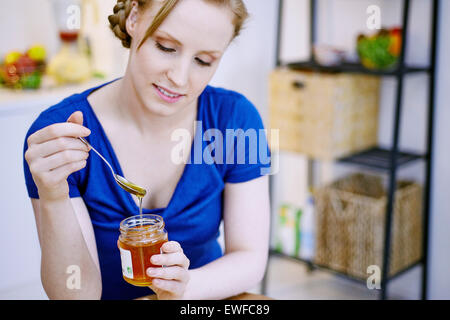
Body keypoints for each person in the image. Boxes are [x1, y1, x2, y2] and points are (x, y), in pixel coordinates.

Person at [23, 0, 271, 300]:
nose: (179, 79)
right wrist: (53, 198)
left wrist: (185, 287)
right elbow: (75, 296)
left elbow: (250, 260)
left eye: (204, 61)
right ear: (134, 18)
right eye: (166, 47)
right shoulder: (60, 136)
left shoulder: (236, 121)